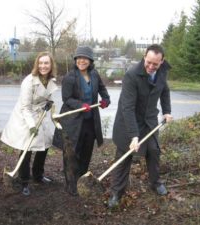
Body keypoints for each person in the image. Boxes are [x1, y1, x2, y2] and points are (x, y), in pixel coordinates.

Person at [108, 44, 173, 208]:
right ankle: (117, 192)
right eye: (148, 62)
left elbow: (165, 91)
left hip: (149, 120)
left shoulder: (162, 71)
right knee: (124, 154)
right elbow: (127, 107)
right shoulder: (131, 75)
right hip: (128, 121)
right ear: (144, 56)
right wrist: (134, 135)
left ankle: (156, 183)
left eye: (155, 64)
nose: (151, 67)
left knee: (153, 150)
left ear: (161, 61)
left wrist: (167, 111)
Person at [53, 46, 110, 196]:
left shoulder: (94, 74)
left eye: (85, 58)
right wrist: (80, 105)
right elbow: (67, 99)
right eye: (79, 58)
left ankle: (82, 180)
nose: (81, 61)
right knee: (72, 154)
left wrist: (105, 99)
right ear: (75, 60)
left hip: (90, 122)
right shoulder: (70, 77)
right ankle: (71, 185)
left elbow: (103, 90)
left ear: (90, 61)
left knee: (86, 152)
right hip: (73, 122)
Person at [1, 52, 58, 196]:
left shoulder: (50, 80)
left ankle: (38, 176)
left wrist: (49, 103)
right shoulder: (29, 81)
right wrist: (32, 125)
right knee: (26, 149)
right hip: (26, 117)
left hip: (41, 115)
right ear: (36, 64)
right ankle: (24, 181)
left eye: (46, 63)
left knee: (44, 146)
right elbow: (25, 107)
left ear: (51, 65)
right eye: (41, 63)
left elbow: (47, 98)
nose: (43, 66)